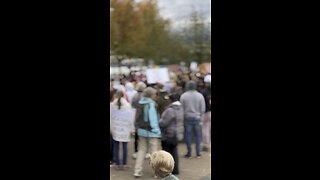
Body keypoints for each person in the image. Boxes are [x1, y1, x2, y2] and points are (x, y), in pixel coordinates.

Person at [134, 87, 161, 178]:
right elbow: (153, 119)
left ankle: (137, 171)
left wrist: (136, 128)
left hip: (141, 131)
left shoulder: (140, 103)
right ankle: (155, 172)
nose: (155, 96)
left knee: (141, 151)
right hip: (151, 132)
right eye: (154, 94)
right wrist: (157, 131)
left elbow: (136, 119)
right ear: (151, 95)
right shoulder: (151, 104)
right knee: (154, 152)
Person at [159, 93, 184, 175]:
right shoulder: (181, 108)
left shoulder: (170, 110)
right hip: (177, 134)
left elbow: (163, 123)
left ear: (171, 100)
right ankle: (175, 170)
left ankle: (167, 170)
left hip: (169, 134)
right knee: (174, 152)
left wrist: (159, 121)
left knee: (167, 154)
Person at [180, 81, 206, 158]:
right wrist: (200, 115)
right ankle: (198, 153)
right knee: (198, 136)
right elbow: (203, 108)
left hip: (187, 117)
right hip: (197, 117)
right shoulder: (200, 96)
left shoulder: (184, 96)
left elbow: (181, 108)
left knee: (188, 135)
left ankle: (189, 153)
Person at [110, 90, 134, 169]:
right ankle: (124, 163)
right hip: (125, 129)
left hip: (115, 128)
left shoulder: (112, 105)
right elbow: (130, 118)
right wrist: (131, 128)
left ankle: (117, 163)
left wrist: (111, 127)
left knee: (116, 146)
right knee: (124, 146)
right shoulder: (127, 105)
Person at [131, 82, 151, 159]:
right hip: (144, 118)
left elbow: (132, 105)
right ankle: (146, 152)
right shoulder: (145, 97)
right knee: (145, 136)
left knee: (136, 136)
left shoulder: (135, 96)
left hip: (137, 116)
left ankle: (136, 151)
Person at [201, 75, 212, 151]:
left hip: (206, 112)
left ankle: (206, 145)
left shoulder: (203, 92)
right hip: (209, 112)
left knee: (205, 130)